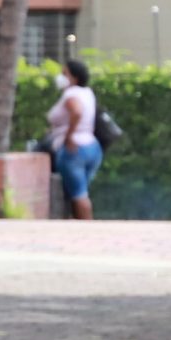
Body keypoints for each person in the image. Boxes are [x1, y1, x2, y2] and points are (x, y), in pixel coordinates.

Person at [48, 57, 101, 219]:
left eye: (65, 74)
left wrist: (69, 136)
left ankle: (87, 229)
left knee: (79, 195)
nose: (61, 77)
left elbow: (76, 112)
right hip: (91, 146)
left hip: (74, 149)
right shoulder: (87, 93)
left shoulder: (71, 94)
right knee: (79, 192)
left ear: (75, 78)